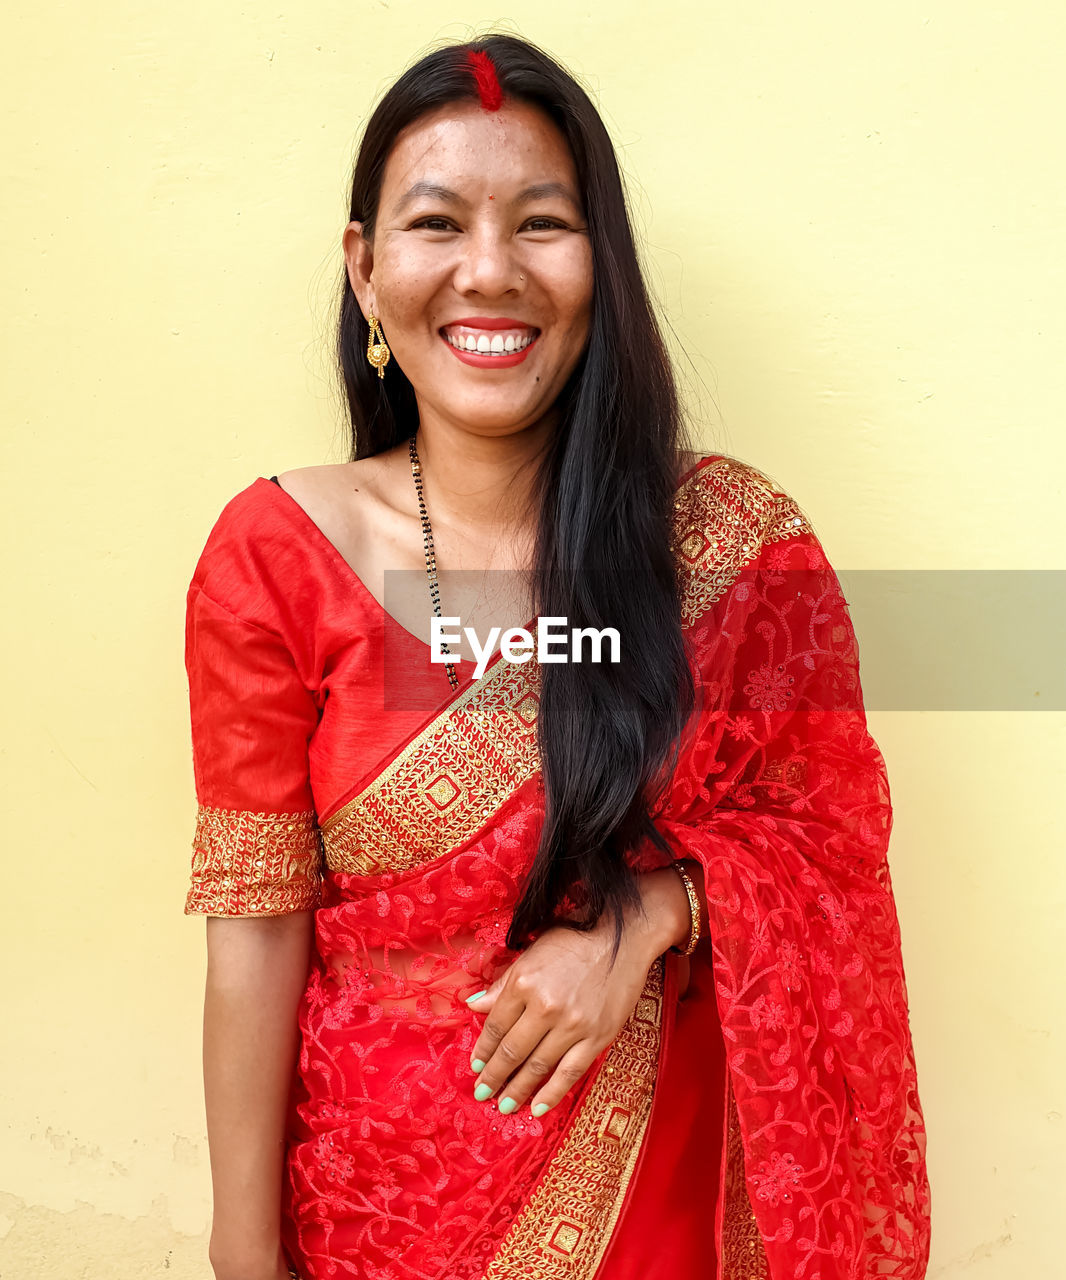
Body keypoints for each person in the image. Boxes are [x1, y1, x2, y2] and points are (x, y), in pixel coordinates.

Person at [183, 34, 930, 1280]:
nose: (489, 271)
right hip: (380, 1214)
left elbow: (826, 836)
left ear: (600, 267)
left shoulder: (729, 548)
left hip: (668, 1206)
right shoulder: (274, 554)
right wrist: (242, 1250)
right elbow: (256, 930)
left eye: (541, 224)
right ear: (365, 271)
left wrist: (636, 924)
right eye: (436, 224)